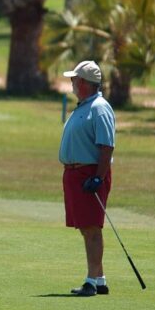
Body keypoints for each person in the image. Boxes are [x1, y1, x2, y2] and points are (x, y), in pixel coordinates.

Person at [59, 60, 115, 297]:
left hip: (89, 173)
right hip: (75, 173)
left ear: (83, 82)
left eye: (74, 79)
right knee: (85, 227)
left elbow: (106, 146)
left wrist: (98, 178)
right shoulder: (84, 106)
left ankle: (91, 281)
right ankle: (99, 279)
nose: (71, 83)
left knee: (92, 228)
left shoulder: (99, 108)